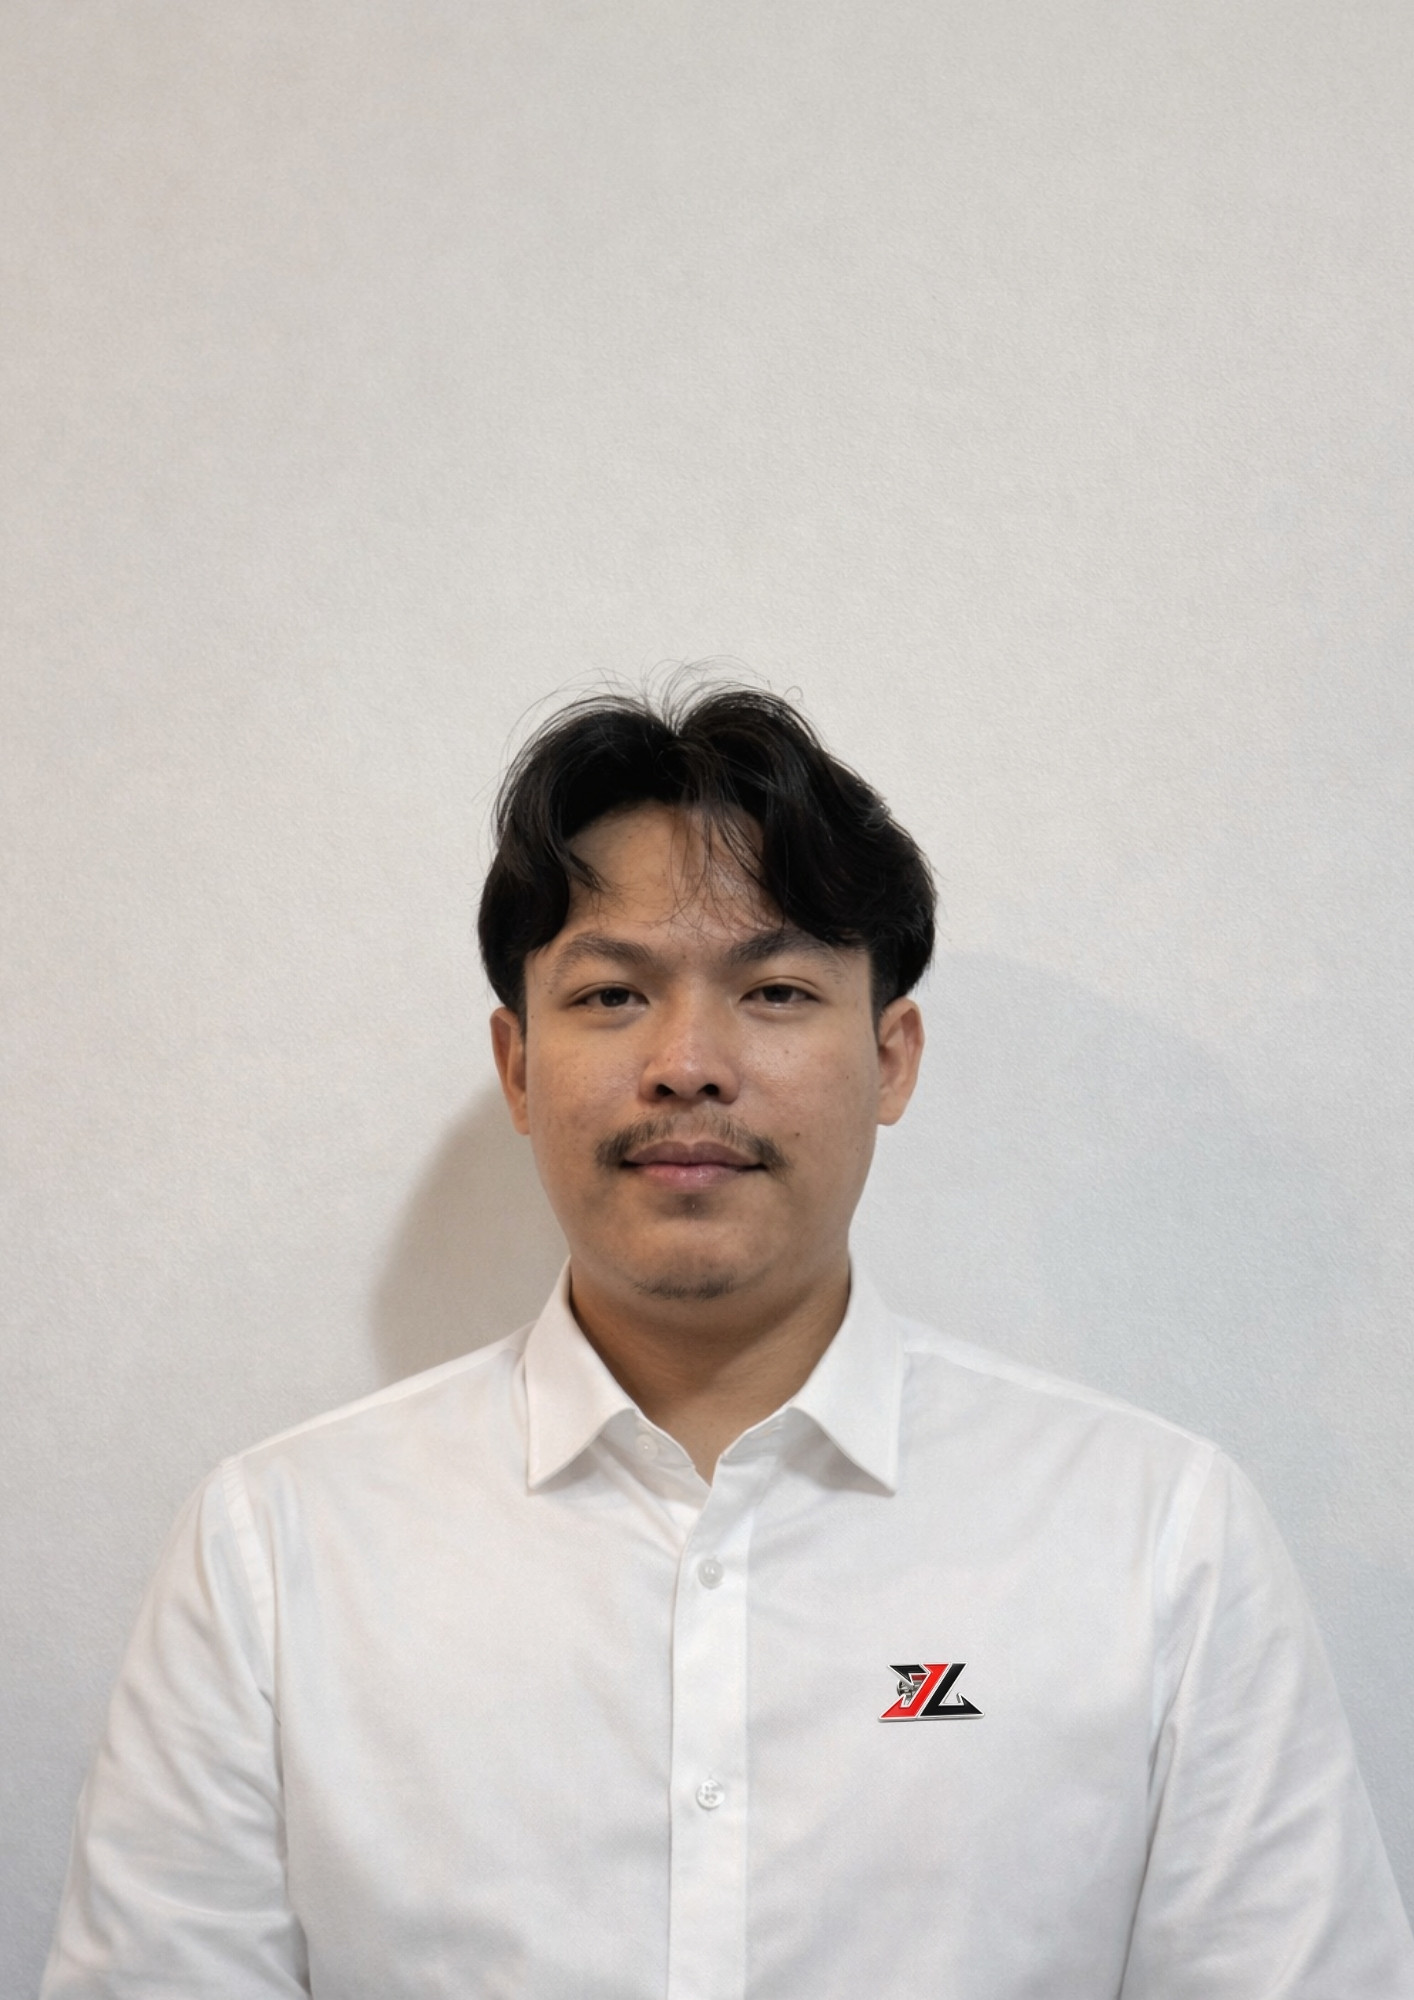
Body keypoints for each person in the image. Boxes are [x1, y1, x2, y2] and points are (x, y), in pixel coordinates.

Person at [43, 683, 1414, 1998]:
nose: (688, 1063)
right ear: (517, 1066)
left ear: (891, 1058)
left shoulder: (1155, 1539)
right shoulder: (277, 1551)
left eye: (774, 993)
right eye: (611, 995)